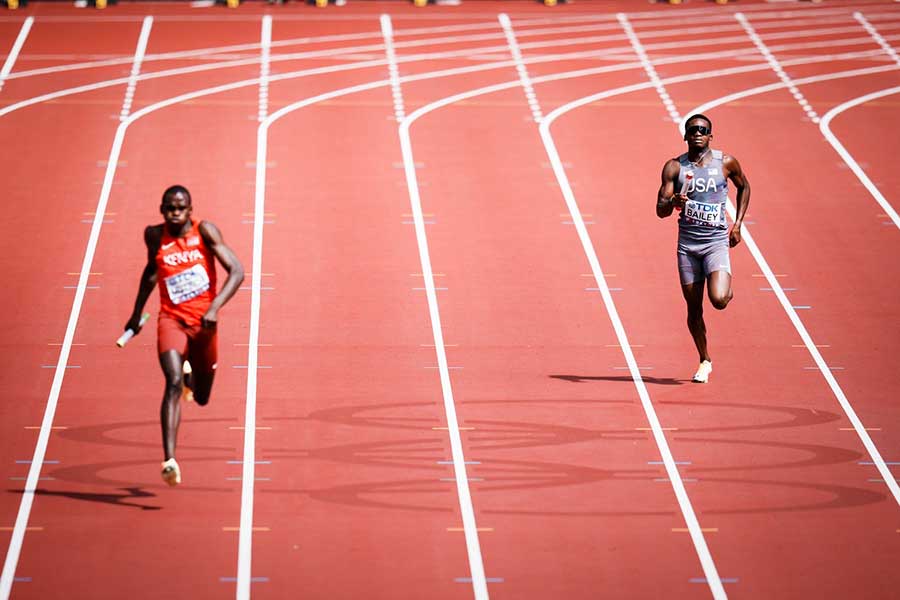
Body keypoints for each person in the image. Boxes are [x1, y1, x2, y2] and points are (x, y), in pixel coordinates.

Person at [124, 185, 244, 486]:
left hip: (204, 326)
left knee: (201, 397)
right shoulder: (154, 235)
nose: (175, 213)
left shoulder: (206, 232)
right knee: (172, 382)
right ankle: (170, 460)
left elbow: (238, 271)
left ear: (190, 210)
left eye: (181, 208)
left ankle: (193, 376)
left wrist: (215, 308)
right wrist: (137, 313)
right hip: (171, 320)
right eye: (169, 208)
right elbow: (152, 271)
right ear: (161, 209)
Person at [656, 114, 750, 383]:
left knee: (719, 300)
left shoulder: (726, 163)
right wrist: (673, 201)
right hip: (687, 246)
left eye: (703, 130)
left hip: (715, 242)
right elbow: (660, 211)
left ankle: (723, 282)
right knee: (694, 309)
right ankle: (704, 359)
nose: (698, 133)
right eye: (693, 130)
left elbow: (745, 187)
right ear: (685, 136)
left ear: (711, 135)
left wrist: (738, 224)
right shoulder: (674, 167)